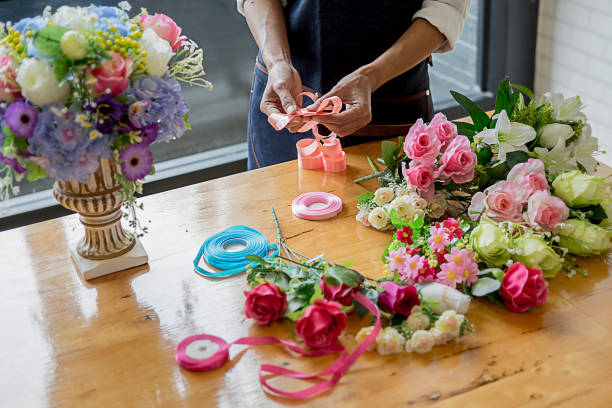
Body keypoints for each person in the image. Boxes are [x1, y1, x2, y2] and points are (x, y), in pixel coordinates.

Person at [238, 0, 471, 169]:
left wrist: (371, 76)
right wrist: (278, 61)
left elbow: (446, 8)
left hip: (392, 100)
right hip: (284, 86)